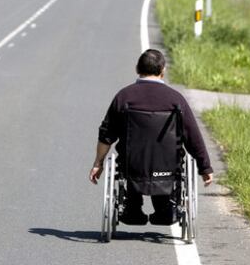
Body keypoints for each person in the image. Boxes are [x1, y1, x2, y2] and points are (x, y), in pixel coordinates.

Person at [89, 49, 213, 225]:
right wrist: (205, 168)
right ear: (163, 70)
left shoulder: (124, 97)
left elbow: (106, 135)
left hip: (132, 167)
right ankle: (165, 209)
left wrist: (98, 163)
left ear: (137, 68)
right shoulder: (176, 99)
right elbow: (193, 137)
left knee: (129, 164)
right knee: (167, 166)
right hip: (168, 168)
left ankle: (132, 209)